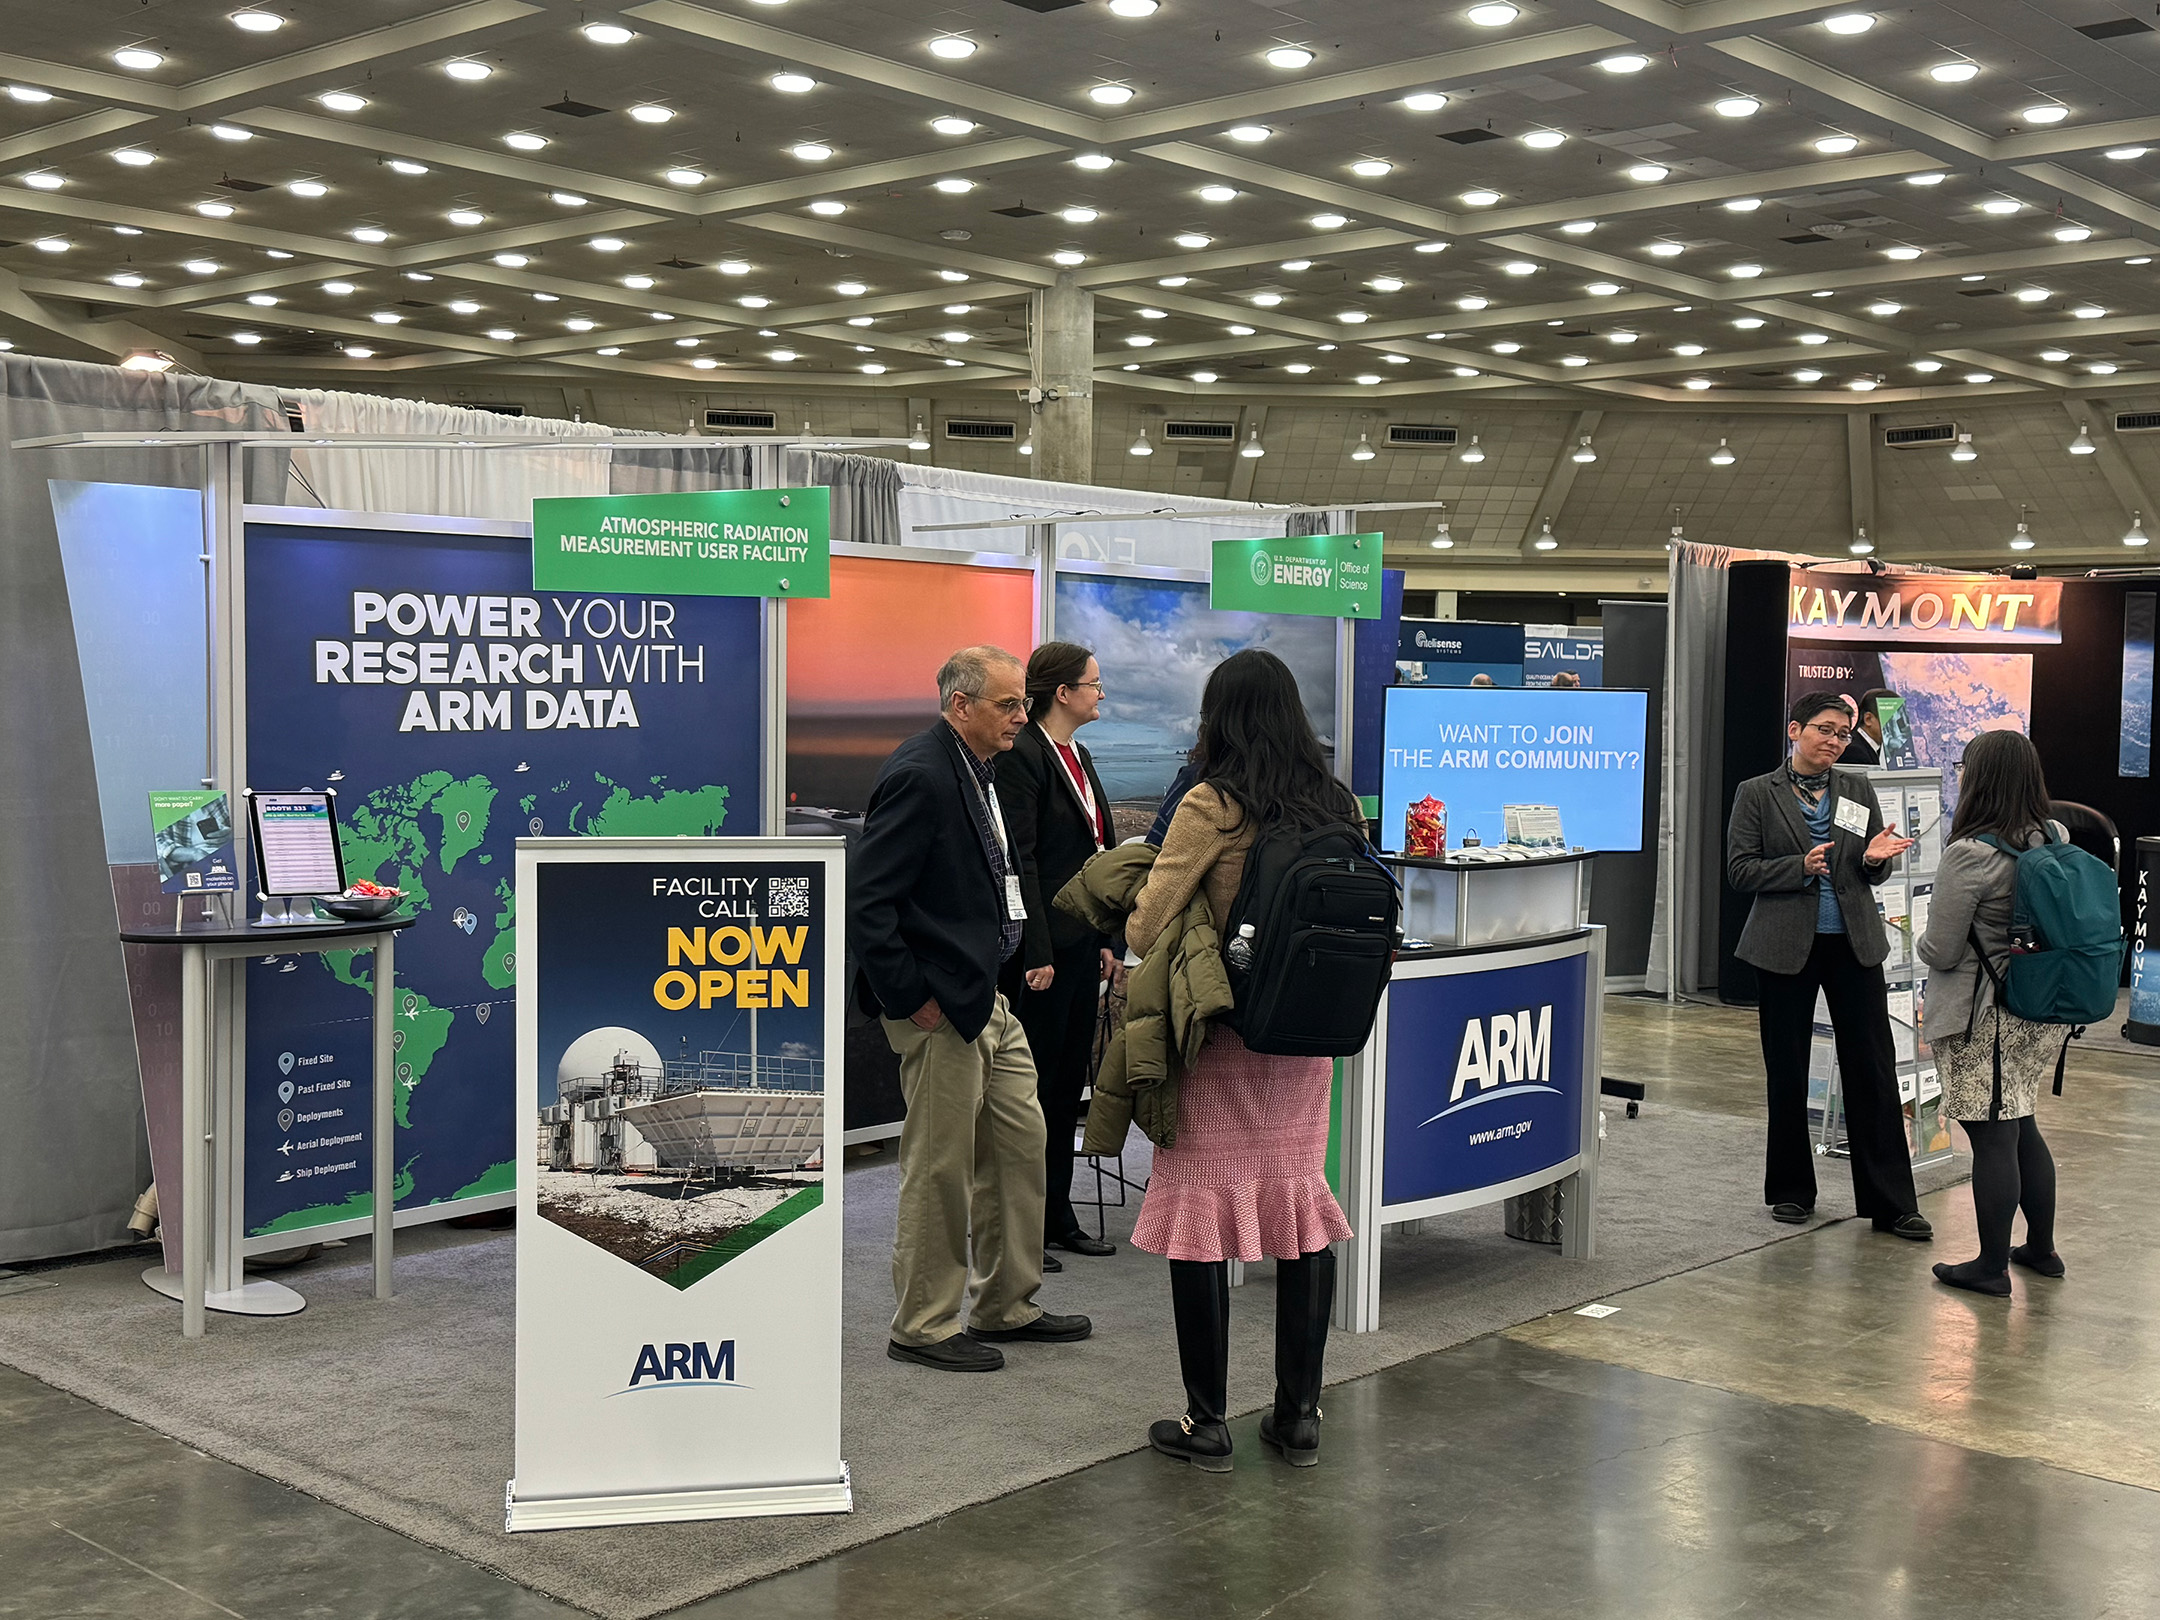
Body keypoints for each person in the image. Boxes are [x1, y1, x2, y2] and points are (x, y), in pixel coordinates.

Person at [1124, 649, 1358, 1472]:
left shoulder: (1210, 804)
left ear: (1217, 716)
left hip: (1221, 1040)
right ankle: (1299, 1415)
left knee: (1199, 1218)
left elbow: (1145, 926)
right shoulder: (1335, 802)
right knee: (1299, 1212)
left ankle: (1207, 1422)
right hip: (1304, 1044)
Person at [849, 645, 1092, 1373]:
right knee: (940, 1169)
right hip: (941, 1006)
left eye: (1022, 703)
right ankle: (922, 1324)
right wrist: (912, 1001)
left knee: (1021, 1147)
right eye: (1009, 704)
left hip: (988, 997)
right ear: (962, 706)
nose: (1023, 715)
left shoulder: (980, 768)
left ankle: (1005, 1303)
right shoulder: (922, 774)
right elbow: (869, 903)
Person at [1727, 692, 1931, 1239]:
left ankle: (1892, 1203)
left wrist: (1871, 860)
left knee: (1873, 1068)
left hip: (1853, 943)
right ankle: (1792, 1191)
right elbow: (1740, 871)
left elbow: (1871, 867)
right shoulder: (1756, 793)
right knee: (1787, 1071)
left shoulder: (1857, 787)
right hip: (1783, 947)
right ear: (1794, 730)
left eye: (1843, 734)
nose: (1835, 741)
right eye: (1824, 730)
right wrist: (1798, 866)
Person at [1916, 731, 2068, 1295]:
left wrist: (1916, 941)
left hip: (1983, 1016)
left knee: (1992, 1140)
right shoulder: (2054, 836)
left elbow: (1943, 949)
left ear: (1979, 776)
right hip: (2036, 1007)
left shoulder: (1969, 855)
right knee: (2022, 1122)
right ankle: (2041, 1249)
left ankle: (1989, 1266)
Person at [999, 641, 1120, 1268]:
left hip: (1080, 946)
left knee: (1066, 1085)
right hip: (1042, 953)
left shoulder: (1079, 754)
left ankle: (1056, 1214)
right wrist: (1037, 950)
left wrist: (1106, 941)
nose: (1102, 693)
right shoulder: (1024, 758)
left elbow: (1097, 858)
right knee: (1032, 1091)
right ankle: (1022, 1225)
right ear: (1063, 693)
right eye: (1094, 684)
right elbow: (1024, 863)